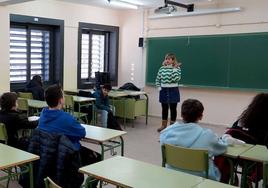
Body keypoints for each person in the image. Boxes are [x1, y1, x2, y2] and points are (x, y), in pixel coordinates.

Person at [36, 85, 101, 187]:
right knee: (98, 158)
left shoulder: (43, 114)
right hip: (66, 154)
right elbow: (82, 133)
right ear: (61, 100)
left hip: (48, 153)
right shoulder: (66, 118)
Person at [160, 99, 230, 181]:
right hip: (202, 178)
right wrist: (225, 138)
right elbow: (223, 148)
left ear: (181, 115)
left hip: (174, 176)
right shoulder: (208, 136)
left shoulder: (166, 133)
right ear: (201, 116)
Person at [216, 93, 268, 185]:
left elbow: (231, 133)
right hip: (257, 162)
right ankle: (251, 177)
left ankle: (237, 175)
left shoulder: (242, 121)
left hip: (237, 158)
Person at [155, 53, 181, 132]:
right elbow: (157, 78)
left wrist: (174, 69)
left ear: (173, 60)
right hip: (163, 90)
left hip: (173, 90)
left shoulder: (177, 68)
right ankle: (163, 125)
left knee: (173, 108)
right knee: (164, 108)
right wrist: (159, 87)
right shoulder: (162, 68)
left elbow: (176, 79)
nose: (167, 60)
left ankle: (172, 127)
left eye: (169, 59)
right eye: (166, 59)